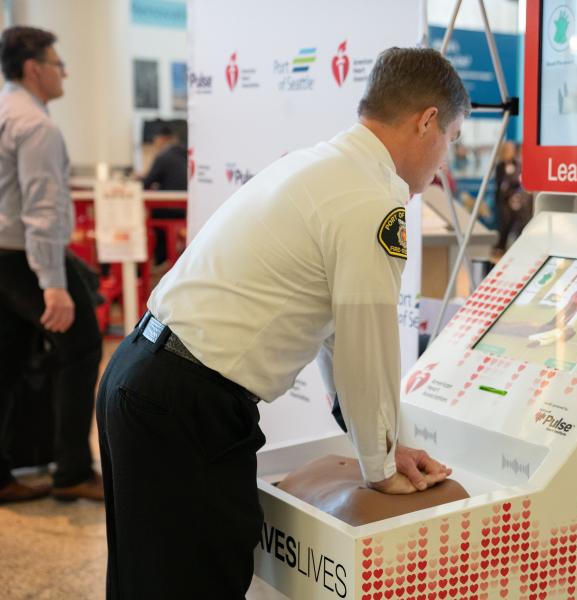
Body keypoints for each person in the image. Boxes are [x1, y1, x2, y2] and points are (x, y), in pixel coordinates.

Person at [96, 47, 469, 599]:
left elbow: (336, 334)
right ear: (427, 121)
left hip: (142, 375)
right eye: (451, 140)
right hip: (187, 405)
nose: (443, 165)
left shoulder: (321, 165)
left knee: (146, 584)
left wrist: (380, 446)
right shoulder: (372, 200)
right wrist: (380, 468)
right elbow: (367, 346)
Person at [0, 26, 103, 504]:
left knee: (6, 363)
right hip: (25, 259)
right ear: (33, 68)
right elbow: (41, 209)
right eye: (58, 64)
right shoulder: (36, 125)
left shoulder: (5, 111)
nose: (65, 73)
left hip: (4, 258)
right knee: (80, 348)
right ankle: (72, 473)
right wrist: (53, 284)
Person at [142, 124, 188, 265]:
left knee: (154, 222)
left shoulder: (164, 156)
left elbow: (147, 182)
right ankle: (173, 260)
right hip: (185, 210)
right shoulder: (186, 154)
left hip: (168, 210)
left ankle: (161, 261)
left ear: (162, 139)